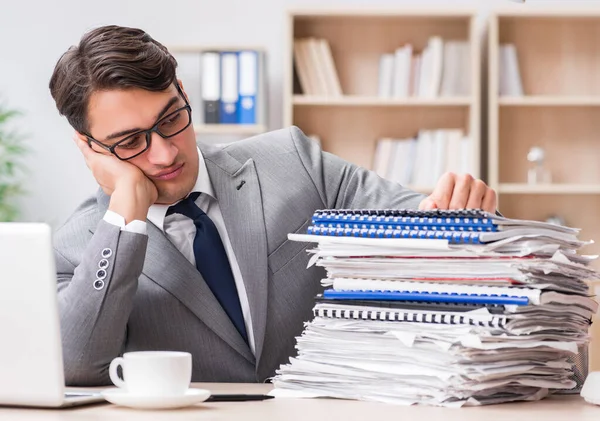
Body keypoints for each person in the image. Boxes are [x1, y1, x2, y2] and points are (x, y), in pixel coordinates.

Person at [48, 25, 497, 386]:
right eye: (128, 142)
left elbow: (418, 216)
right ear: (90, 148)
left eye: (171, 119)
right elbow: (76, 365)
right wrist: (126, 216)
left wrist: (457, 211)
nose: (165, 153)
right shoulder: (76, 245)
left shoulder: (293, 160)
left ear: (183, 91)